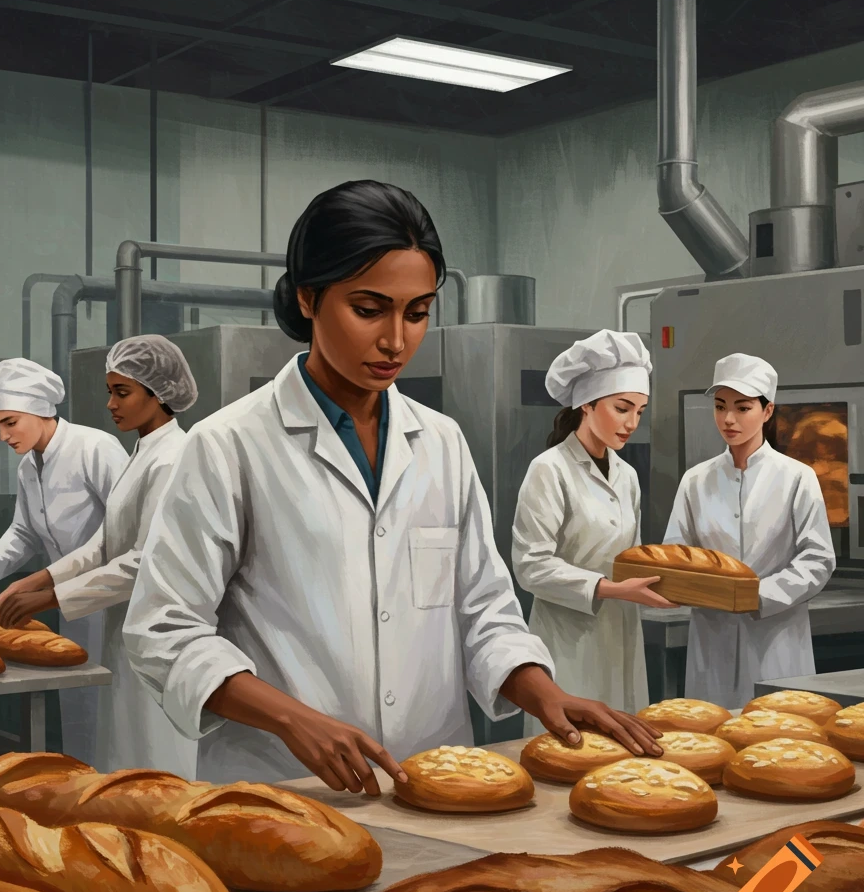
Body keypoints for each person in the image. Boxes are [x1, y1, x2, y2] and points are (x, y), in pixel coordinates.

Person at [122, 179, 662, 792]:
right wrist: (294, 721)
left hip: (438, 780)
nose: (395, 341)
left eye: (418, 312)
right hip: (288, 788)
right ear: (307, 298)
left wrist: (545, 693)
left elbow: (482, 608)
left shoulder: (440, 443)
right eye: (369, 309)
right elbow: (164, 630)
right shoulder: (229, 446)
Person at [0, 336, 199, 778]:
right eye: (110, 391)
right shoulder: (144, 452)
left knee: (155, 766)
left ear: (159, 394)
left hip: (157, 629)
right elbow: (105, 543)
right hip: (124, 629)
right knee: (119, 759)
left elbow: (147, 559)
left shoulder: (173, 459)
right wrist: (41, 578)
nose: (109, 404)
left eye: (122, 392)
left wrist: (53, 597)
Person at [0, 357, 129, 764]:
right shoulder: (30, 465)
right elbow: (25, 532)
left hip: (117, 604)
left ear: (41, 409)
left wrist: (40, 581)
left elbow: (121, 532)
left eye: (10, 422)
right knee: (80, 711)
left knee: (117, 716)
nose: (3, 435)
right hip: (71, 608)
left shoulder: (95, 448)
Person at [511, 331, 676, 724]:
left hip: (621, 637)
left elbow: (631, 556)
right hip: (568, 642)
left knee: (622, 759)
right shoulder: (550, 469)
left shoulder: (627, 475)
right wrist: (611, 589)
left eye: (640, 410)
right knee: (569, 758)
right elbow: (530, 566)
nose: (633, 422)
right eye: (622, 408)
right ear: (586, 404)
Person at [664, 353, 835, 709]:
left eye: (742, 408)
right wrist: (694, 588)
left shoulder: (796, 477)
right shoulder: (695, 480)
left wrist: (758, 595)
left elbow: (818, 559)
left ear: (767, 411)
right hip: (712, 639)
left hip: (777, 641)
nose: (728, 419)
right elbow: (675, 556)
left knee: (779, 741)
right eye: (720, 406)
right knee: (710, 736)